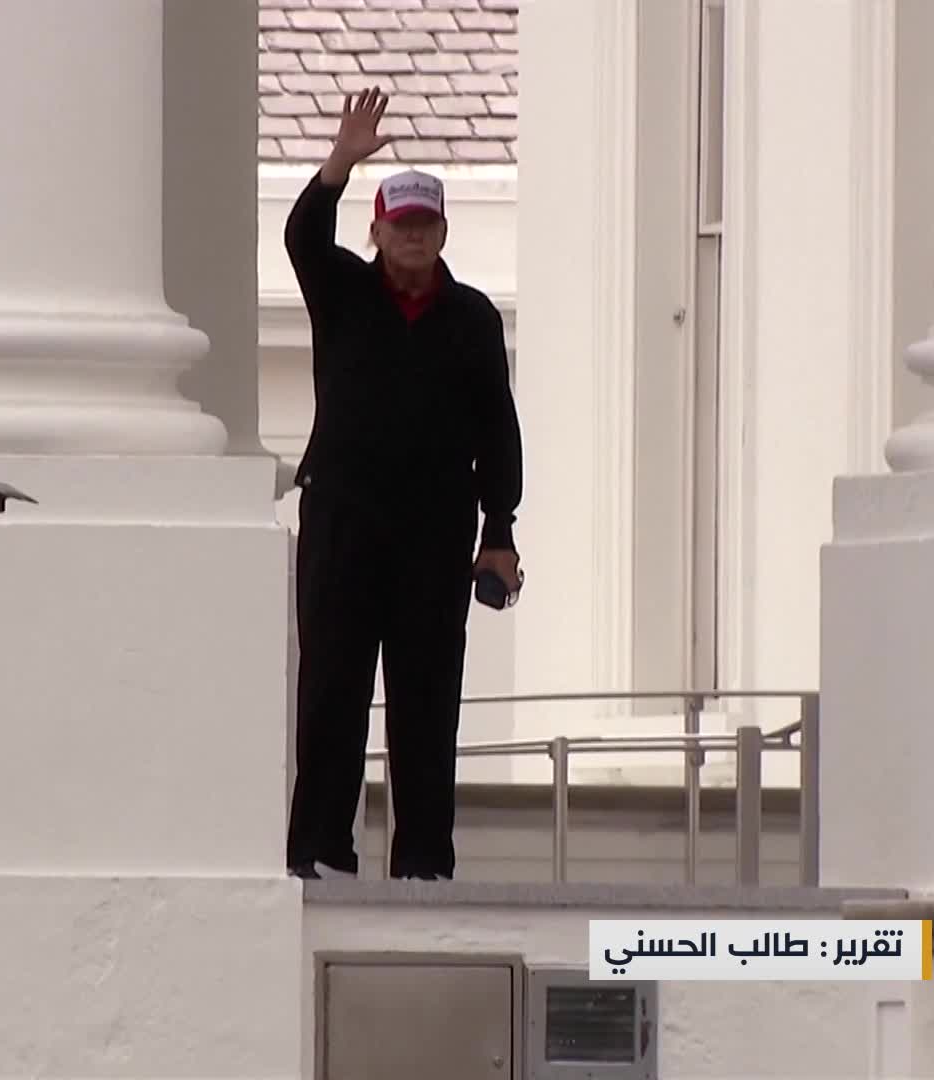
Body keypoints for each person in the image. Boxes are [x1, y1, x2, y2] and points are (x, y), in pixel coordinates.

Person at [283, 87, 523, 882]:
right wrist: (340, 162)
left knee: (427, 696)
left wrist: (500, 532)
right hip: (343, 520)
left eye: (425, 224)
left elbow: (497, 429)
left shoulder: (474, 319)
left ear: (443, 232)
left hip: (435, 531)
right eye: (400, 224)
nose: (413, 236)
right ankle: (320, 852)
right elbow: (302, 237)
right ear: (377, 231)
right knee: (332, 688)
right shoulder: (342, 291)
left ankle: (423, 863)